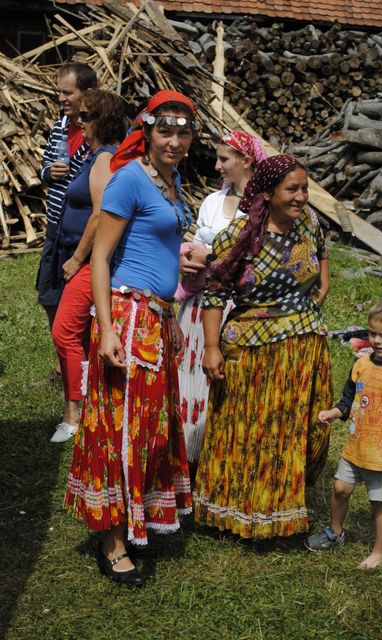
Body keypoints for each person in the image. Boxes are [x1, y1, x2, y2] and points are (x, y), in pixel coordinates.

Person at [64, 90, 196, 586]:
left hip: (157, 315)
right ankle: (113, 542)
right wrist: (106, 329)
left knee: (150, 429)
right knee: (122, 430)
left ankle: (137, 517)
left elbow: (158, 247)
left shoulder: (170, 179)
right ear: (147, 130)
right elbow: (101, 257)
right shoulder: (130, 179)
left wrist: (173, 309)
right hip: (128, 316)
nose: (174, 141)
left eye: (183, 132)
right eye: (165, 131)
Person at [193, 154, 332, 539]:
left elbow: (322, 270)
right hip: (252, 349)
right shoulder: (239, 236)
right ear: (268, 193)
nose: (301, 197)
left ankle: (282, 507)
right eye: (292, 189)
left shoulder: (310, 222)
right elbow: (214, 295)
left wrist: (307, 309)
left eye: (305, 189)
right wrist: (211, 347)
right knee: (248, 432)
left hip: (302, 346)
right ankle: (234, 511)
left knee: (295, 431)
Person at [305, 297, 382, 569]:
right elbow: (350, 398)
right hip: (356, 447)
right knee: (340, 489)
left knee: (380, 503)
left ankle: (379, 551)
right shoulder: (362, 364)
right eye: (372, 333)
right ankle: (335, 532)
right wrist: (335, 412)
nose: (377, 340)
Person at [176, 131, 267, 474]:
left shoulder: (262, 207)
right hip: (198, 305)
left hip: (234, 306)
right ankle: (187, 457)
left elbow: (258, 257)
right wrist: (185, 259)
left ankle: (220, 459)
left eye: (224, 159)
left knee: (223, 382)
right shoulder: (213, 202)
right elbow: (197, 241)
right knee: (190, 378)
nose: (217, 166)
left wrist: (212, 257)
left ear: (246, 160)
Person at [50, 90, 127, 443]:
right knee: (80, 334)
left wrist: (78, 257)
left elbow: (100, 214)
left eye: (85, 116)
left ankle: (73, 413)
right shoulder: (94, 155)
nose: (78, 121)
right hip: (79, 256)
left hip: (90, 261)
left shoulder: (105, 158)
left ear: (101, 121)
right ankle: (90, 403)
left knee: (64, 332)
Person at [36, 62, 98, 377]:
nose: (61, 98)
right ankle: (63, 362)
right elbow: (44, 166)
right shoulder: (61, 126)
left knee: (79, 302)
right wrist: (49, 172)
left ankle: (82, 364)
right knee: (49, 295)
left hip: (81, 233)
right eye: (59, 92)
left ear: (88, 92)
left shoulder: (98, 132)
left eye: (67, 92)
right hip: (55, 225)